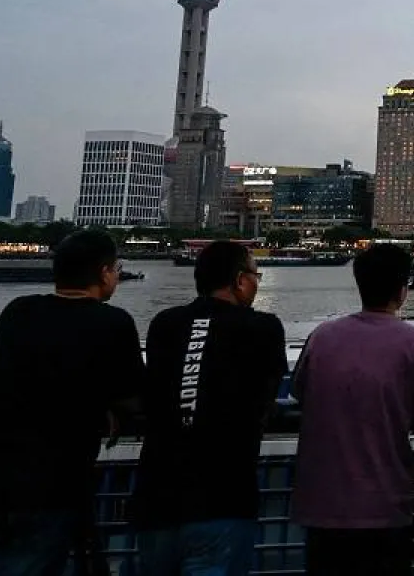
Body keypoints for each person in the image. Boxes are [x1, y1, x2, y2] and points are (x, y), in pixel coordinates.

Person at [0, 229, 145, 576]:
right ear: (104, 273)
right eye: (116, 268)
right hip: (48, 488)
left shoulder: (19, 312)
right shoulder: (112, 323)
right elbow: (134, 398)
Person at [132, 239, 287, 575]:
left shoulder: (164, 324)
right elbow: (266, 397)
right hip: (224, 498)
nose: (257, 282)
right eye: (255, 274)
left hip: (156, 497)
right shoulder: (264, 328)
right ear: (239, 280)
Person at [292, 242, 414, 576]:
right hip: (385, 501)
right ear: (402, 291)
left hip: (322, 503)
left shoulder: (322, 336)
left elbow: (300, 391)